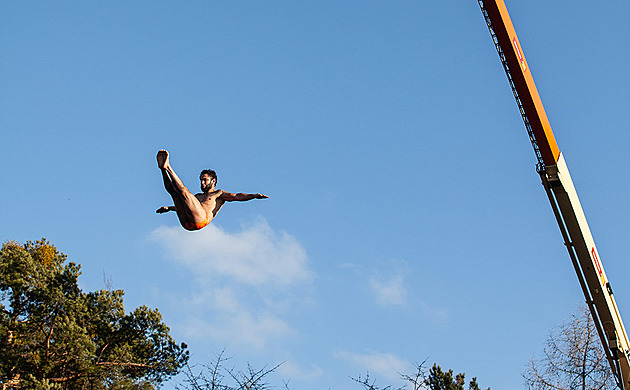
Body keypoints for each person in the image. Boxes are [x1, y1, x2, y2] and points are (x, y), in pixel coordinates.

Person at [156, 149, 268, 231]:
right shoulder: (198, 196)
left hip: (201, 220)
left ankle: (168, 167)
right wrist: (169, 208)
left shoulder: (219, 194)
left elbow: (237, 196)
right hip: (186, 223)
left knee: (184, 192)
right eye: (201, 180)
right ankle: (163, 169)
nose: (202, 183)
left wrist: (253, 196)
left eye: (205, 180)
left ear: (213, 180)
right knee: (175, 194)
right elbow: (188, 207)